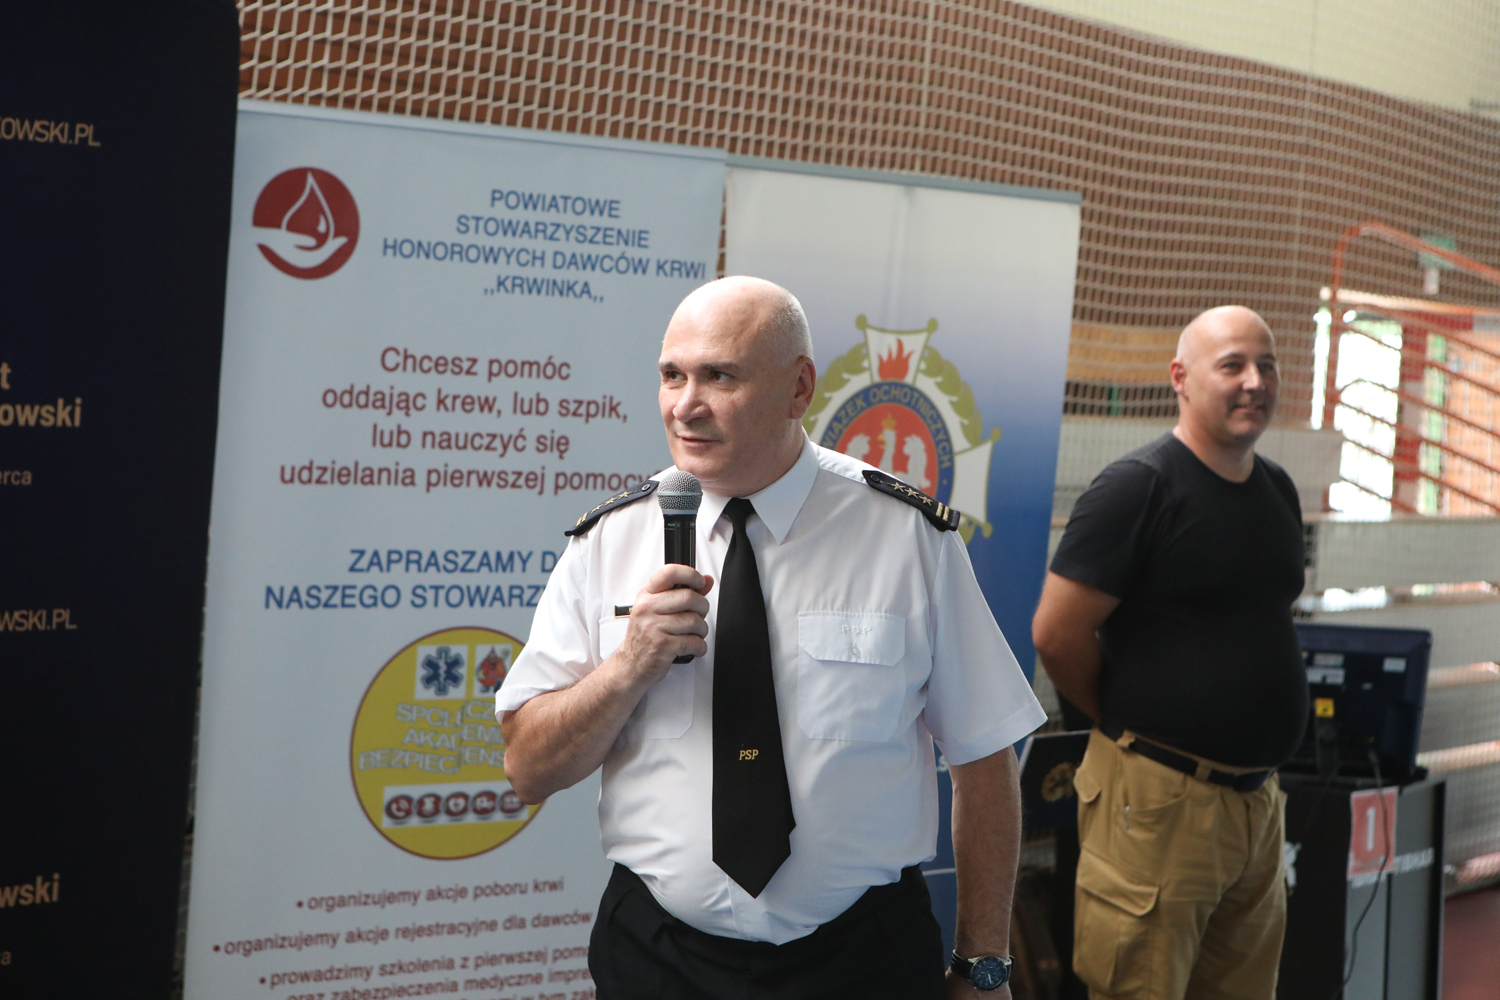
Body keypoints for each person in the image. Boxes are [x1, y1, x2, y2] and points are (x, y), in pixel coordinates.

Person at [497, 276, 1046, 1000]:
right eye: (672, 375)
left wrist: (984, 962)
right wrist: (628, 665)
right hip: (660, 960)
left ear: (799, 388)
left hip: (863, 960)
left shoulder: (905, 535)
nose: (685, 404)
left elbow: (984, 754)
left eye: (720, 376)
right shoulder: (609, 541)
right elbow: (527, 768)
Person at [1032, 305, 1308, 1000]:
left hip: (1258, 807)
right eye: (1232, 366)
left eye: (1266, 365)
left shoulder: (1277, 489)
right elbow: (1056, 634)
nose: (1255, 382)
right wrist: (1125, 724)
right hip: (1157, 805)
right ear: (1181, 379)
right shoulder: (1137, 488)